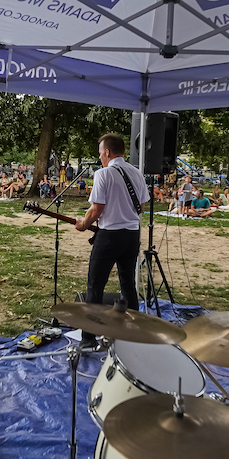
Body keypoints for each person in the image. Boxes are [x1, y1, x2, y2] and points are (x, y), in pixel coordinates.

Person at [75, 134, 149, 347]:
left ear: (107, 152)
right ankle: (135, 332)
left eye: (100, 153)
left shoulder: (103, 174)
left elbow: (97, 208)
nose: (100, 157)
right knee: (128, 284)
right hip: (132, 235)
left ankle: (89, 338)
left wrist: (84, 224)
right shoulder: (136, 172)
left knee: (95, 286)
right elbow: (141, 207)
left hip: (109, 237)